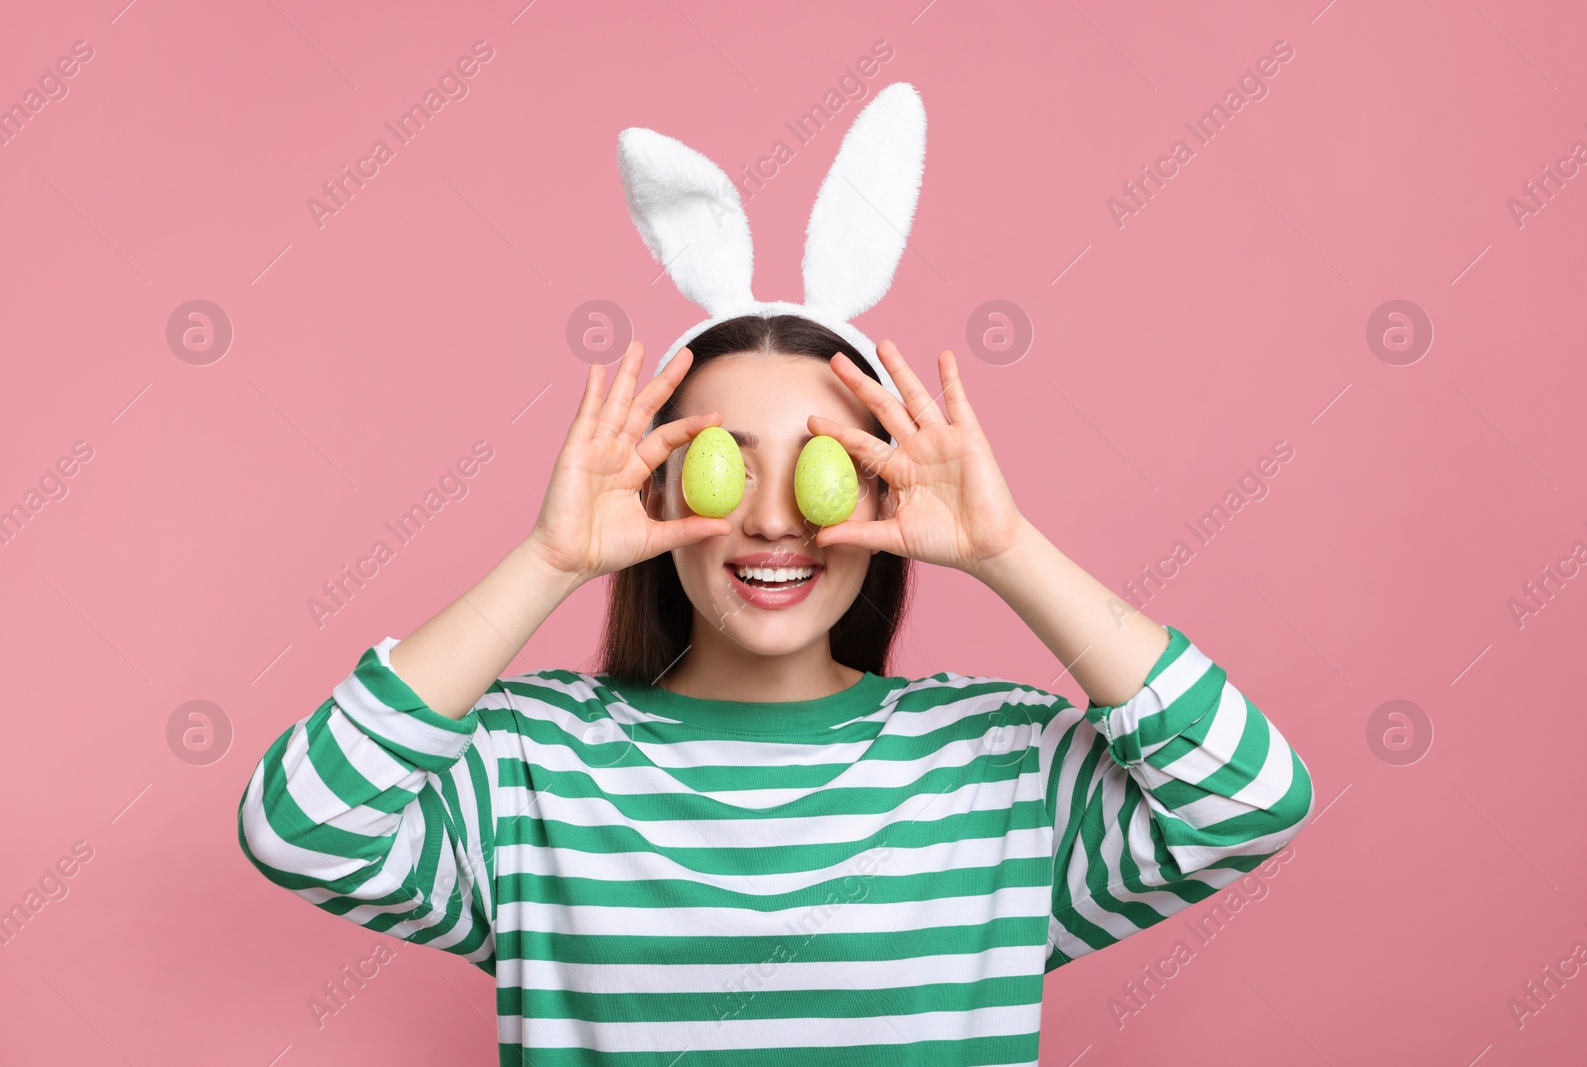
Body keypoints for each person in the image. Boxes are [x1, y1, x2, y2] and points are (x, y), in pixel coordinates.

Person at [237, 312, 1315, 1065]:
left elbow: (1252, 795)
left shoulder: (994, 764)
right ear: (654, 489)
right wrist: (550, 559)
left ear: (885, 484)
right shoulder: (532, 763)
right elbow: (299, 824)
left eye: (820, 463)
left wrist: (1004, 546)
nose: (770, 518)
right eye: (723, 458)